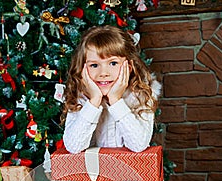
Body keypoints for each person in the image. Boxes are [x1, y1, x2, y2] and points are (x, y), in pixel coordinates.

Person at [62, 25, 161, 154]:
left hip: (128, 172)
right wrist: (94, 101)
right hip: (91, 172)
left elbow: (139, 145)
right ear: (83, 69)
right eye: (94, 65)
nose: (103, 73)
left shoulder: (141, 96)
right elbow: (73, 147)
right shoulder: (81, 98)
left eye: (113, 63)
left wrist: (115, 100)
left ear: (129, 67)